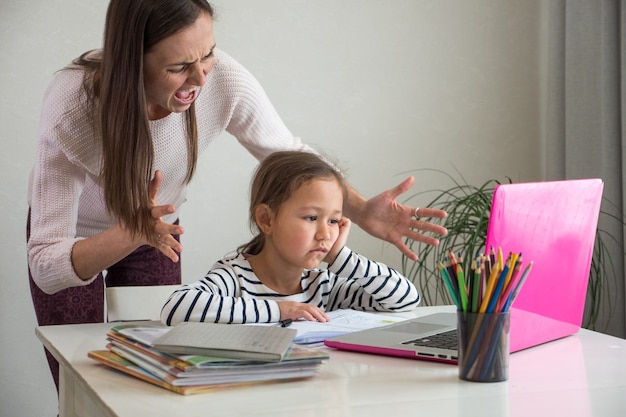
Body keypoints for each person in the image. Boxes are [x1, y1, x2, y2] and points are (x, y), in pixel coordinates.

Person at [27, 0, 447, 390]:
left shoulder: (221, 77)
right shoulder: (73, 109)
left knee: (157, 376)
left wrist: (357, 208)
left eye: (208, 54)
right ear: (130, 61)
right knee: (79, 381)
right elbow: (47, 266)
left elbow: (288, 154)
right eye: (178, 67)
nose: (201, 77)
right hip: (79, 241)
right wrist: (130, 232)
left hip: (156, 229)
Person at [161, 151, 421, 326]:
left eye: (333, 221)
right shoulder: (235, 277)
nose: (325, 233)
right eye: (311, 218)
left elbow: (405, 299)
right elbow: (177, 308)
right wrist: (281, 310)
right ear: (267, 219)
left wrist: (342, 259)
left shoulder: (324, 285)